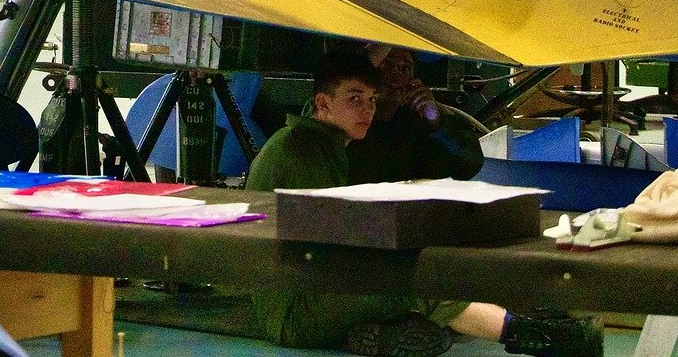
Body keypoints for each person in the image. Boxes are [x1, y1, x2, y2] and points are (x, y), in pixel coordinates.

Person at [206, 51, 601, 357]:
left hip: (306, 290)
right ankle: (543, 338)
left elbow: (465, 160)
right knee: (418, 281)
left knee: (419, 273)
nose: (368, 109)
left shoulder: (321, 143)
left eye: (371, 99)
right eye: (355, 98)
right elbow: (320, 248)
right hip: (295, 307)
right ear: (323, 104)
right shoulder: (301, 155)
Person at [349, 44, 484, 185]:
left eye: (405, 68)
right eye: (386, 65)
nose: (396, 74)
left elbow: (468, 166)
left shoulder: (414, 122)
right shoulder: (346, 118)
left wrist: (437, 122)